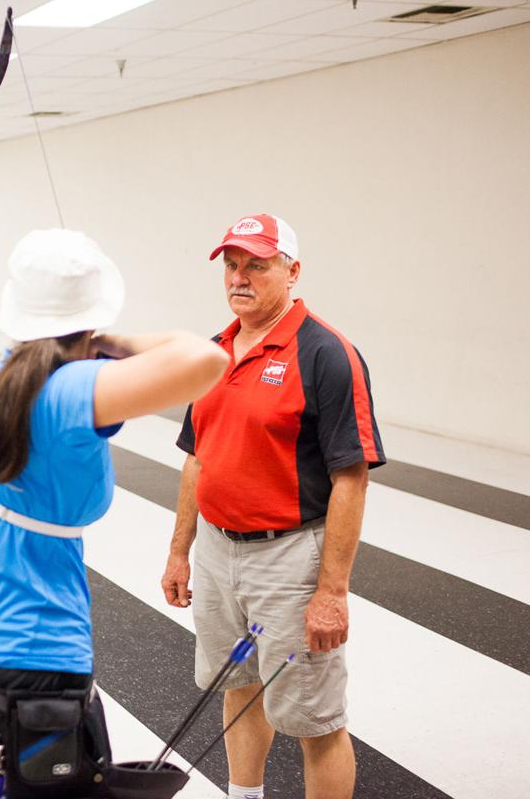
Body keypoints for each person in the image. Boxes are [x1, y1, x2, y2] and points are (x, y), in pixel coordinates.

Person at [0, 228, 229, 799]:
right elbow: (207, 358)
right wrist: (107, 339)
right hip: (32, 678)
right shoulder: (68, 391)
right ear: (88, 323)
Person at [161, 214, 385, 799]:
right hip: (215, 550)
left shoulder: (327, 354)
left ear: (292, 270)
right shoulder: (214, 352)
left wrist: (332, 592)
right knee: (236, 684)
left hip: (289, 557)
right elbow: (196, 458)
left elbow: (352, 480)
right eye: (232, 265)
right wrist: (180, 551)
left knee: (316, 721)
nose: (240, 277)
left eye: (257, 265)